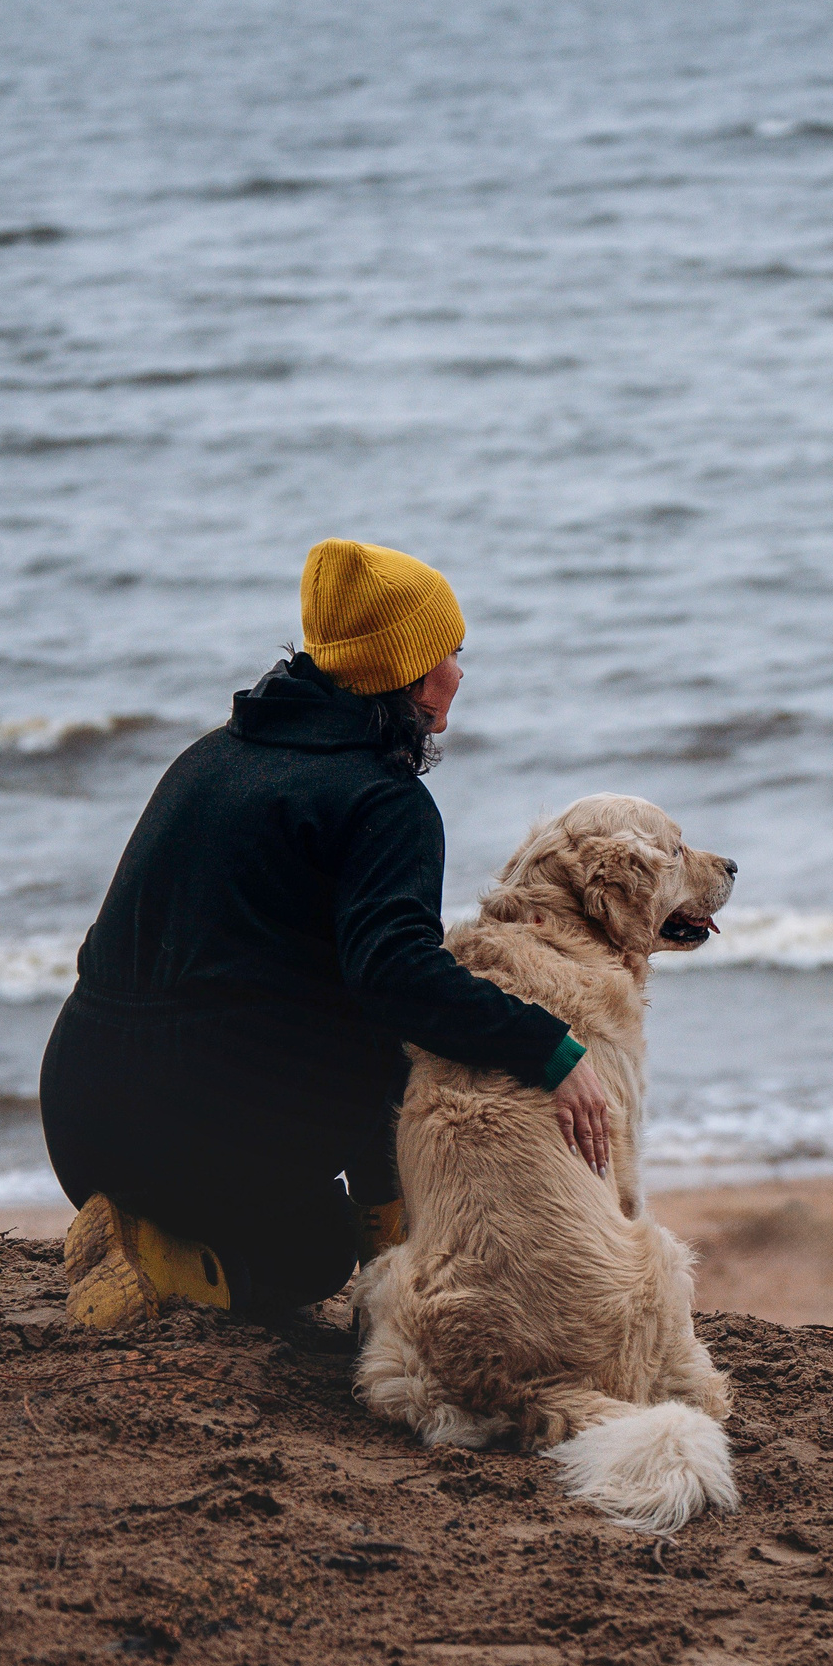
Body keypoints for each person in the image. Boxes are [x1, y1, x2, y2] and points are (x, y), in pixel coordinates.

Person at [41, 540, 613, 1326]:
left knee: (340, 997)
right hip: (198, 1141)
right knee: (314, 1250)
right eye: (450, 654)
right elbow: (396, 974)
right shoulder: (384, 802)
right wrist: (550, 1049)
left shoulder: (211, 756)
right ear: (412, 675)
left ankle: (141, 1224)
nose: (458, 674)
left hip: (81, 1121)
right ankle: (298, 1269)